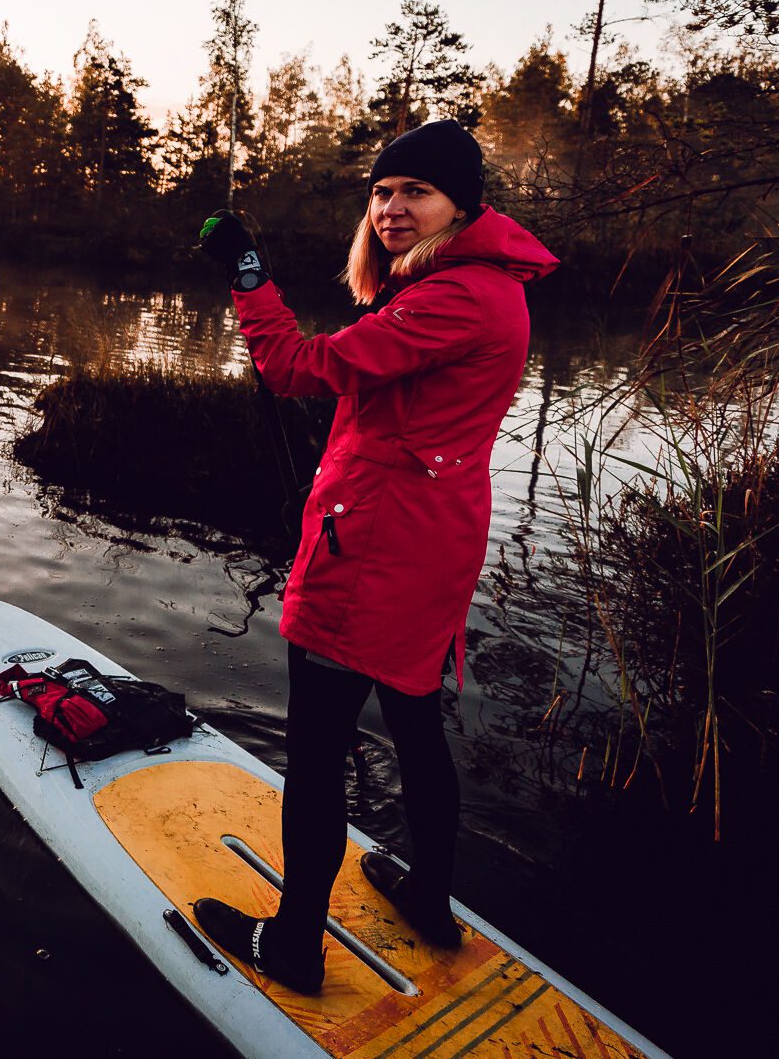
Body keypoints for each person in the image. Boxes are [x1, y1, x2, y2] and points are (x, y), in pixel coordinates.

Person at [190, 120, 557, 995]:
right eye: (382, 192)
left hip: (376, 549)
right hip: (429, 540)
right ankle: (429, 897)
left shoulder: (455, 296)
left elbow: (294, 365)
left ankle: (291, 945)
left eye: (414, 192)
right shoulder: (480, 284)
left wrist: (249, 275)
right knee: (416, 724)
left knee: (316, 750)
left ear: (461, 205)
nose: (393, 207)